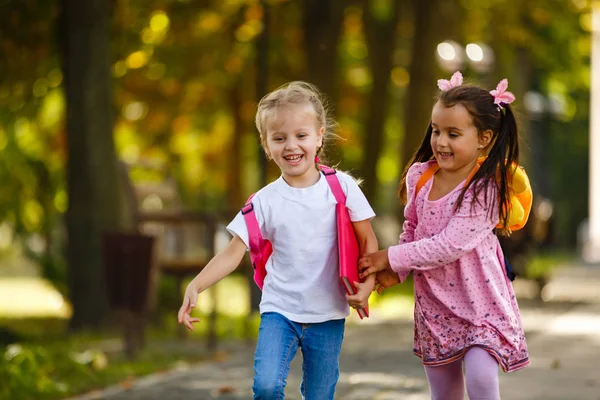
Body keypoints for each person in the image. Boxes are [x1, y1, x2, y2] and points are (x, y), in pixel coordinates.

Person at [178, 81, 378, 399]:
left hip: (328, 312)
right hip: (279, 310)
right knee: (267, 386)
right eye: (279, 138)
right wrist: (196, 285)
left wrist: (367, 287)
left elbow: (368, 241)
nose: (291, 146)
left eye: (301, 135)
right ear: (266, 144)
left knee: (319, 394)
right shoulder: (264, 201)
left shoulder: (342, 187)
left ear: (319, 136)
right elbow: (233, 253)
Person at [359, 72, 529, 400]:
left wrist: (388, 256)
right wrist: (397, 269)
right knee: (445, 392)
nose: (440, 142)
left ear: (484, 138)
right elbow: (413, 230)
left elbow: (449, 245)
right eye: (436, 131)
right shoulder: (420, 177)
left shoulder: (486, 189)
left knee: (480, 379)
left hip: (482, 304)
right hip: (434, 306)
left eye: (453, 134)